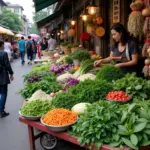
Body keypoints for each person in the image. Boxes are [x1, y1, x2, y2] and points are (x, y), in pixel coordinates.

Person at [0, 40, 14, 118]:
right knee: (3, 93)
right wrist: (11, 73)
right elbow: (7, 65)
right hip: (2, 76)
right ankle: (1, 111)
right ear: (1, 45)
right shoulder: (3, 53)